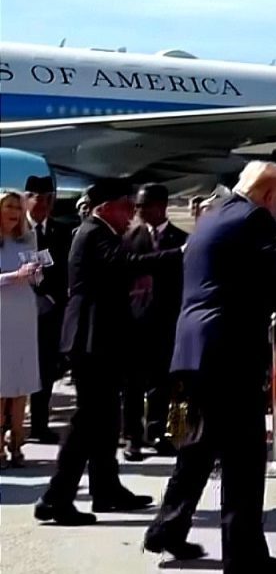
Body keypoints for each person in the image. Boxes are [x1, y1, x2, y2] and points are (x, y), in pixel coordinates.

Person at [144, 161, 276, 574]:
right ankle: (244, 558)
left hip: (199, 347)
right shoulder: (251, 217)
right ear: (266, 195)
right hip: (227, 353)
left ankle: (167, 530)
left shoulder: (217, 215)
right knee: (243, 457)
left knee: (201, 445)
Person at [34, 179, 183, 526]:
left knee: (105, 421)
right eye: (125, 205)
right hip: (91, 340)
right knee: (88, 421)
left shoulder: (100, 231)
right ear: (105, 208)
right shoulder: (93, 233)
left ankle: (106, 489)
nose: (132, 212)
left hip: (102, 339)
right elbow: (125, 263)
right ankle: (56, 498)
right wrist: (179, 254)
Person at [121, 184, 188, 460]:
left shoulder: (181, 239)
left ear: (160, 207)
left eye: (143, 206)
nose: (138, 212)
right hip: (134, 322)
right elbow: (128, 268)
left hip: (166, 321)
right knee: (133, 384)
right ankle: (132, 437)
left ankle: (156, 431)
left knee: (161, 382)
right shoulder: (129, 238)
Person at [25, 176, 71, 444]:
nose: (42, 204)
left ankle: (40, 425)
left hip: (50, 310)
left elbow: (66, 269)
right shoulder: (14, 229)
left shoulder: (61, 231)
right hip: (16, 309)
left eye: (47, 199)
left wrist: (54, 299)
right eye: (37, 198)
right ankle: (11, 424)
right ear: (26, 198)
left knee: (44, 369)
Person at [0, 190, 42, 468]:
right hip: (1, 317)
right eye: (9, 207)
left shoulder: (28, 239)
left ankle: (17, 443)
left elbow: (38, 277)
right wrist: (14, 276)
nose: (15, 212)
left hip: (24, 317)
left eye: (18, 207)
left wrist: (36, 272)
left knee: (20, 385)